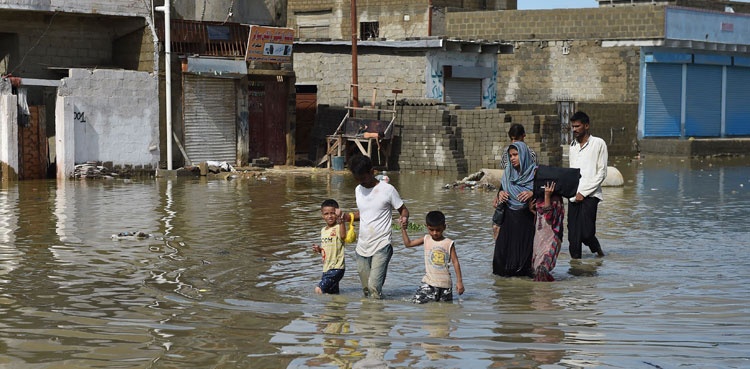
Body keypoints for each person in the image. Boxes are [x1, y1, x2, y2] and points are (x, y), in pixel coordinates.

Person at [344, 154, 409, 299]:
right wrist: (348, 217)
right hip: (362, 246)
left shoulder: (388, 189)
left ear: (372, 172)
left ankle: (379, 320)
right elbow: (365, 213)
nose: (361, 182)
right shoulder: (358, 190)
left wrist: (404, 218)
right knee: (366, 290)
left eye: (363, 178)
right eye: (357, 179)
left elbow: (403, 209)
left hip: (382, 245)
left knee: (374, 287)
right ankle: (368, 319)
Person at [401, 211, 465, 304]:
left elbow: (455, 262)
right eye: (431, 230)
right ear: (427, 227)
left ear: (444, 227)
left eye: (438, 230)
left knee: (444, 311)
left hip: (445, 285)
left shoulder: (448, 243)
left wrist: (459, 282)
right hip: (429, 283)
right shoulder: (426, 239)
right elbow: (408, 244)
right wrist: (403, 229)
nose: (435, 233)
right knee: (416, 304)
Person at [567, 111, 608, 259]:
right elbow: (572, 173)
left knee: (586, 233)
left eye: (577, 126)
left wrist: (583, 193)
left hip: (590, 196)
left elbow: (602, 173)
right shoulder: (572, 146)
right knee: (573, 238)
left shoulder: (598, 143)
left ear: (586, 126)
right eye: (573, 126)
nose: (574, 129)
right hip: (573, 196)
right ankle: (576, 271)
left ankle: (598, 252)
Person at [493, 142, 537, 277]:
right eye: (510, 155)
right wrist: (500, 194)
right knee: (502, 261)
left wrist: (532, 193)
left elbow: (548, 192)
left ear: (523, 155)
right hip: (509, 219)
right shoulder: (507, 174)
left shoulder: (535, 174)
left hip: (526, 220)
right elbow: (502, 191)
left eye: (516, 155)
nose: (512, 158)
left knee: (524, 259)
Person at [493, 123, 538, 240]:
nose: (513, 142)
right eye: (511, 139)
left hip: (524, 196)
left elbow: (533, 176)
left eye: (516, 139)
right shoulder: (506, 153)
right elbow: (506, 176)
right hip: (509, 194)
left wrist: (531, 193)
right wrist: (499, 194)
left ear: (523, 136)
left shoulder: (530, 154)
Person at [311, 199, 347, 294]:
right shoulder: (323, 230)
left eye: (332, 213)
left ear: (337, 213)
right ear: (322, 215)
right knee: (333, 294)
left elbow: (343, 237)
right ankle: (337, 308)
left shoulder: (339, 226)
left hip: (337, 268)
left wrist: (341, 220)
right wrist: (319, 250)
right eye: (326, 214)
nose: (330, 216)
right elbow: (326, 249)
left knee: (318, 289)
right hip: (326, 269)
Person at [531, 181, 564, 281]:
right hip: (539, 239)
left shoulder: (555, 199)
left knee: (542, 268)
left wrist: (547, 196)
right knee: (537, 269)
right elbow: (539, 217)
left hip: (551, 239)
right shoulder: (538, 198)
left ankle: (544, 294)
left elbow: (549, 215)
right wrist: (532, 210)